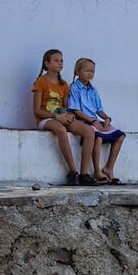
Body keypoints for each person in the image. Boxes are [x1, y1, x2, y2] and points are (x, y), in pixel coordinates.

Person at [31, 48, 101, 186]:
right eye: (56, 61)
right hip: (46, 119)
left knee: (89, 131)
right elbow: (36, 110)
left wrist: (69, 115)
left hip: (62, 117)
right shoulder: (41, 82)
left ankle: (84, 174)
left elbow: (66, 107)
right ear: (47, 63)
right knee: (61, 130)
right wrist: (56, 117)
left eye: (61, 60)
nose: (60, 63)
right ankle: (72, 172)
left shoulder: (64, 85)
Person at [67, 57, 126, 184]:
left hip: (95, 120)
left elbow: (99, 109)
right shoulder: (74, 88)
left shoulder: (93, 89)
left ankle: (109, 168)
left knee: (120, 136)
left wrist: (106, 118)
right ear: (77, 71)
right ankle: (97, 171)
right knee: (98, 138)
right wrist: (93, 121)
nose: (90, 74)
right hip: (83, 120)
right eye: (87, 71)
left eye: (92, 71)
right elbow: (76, 110)